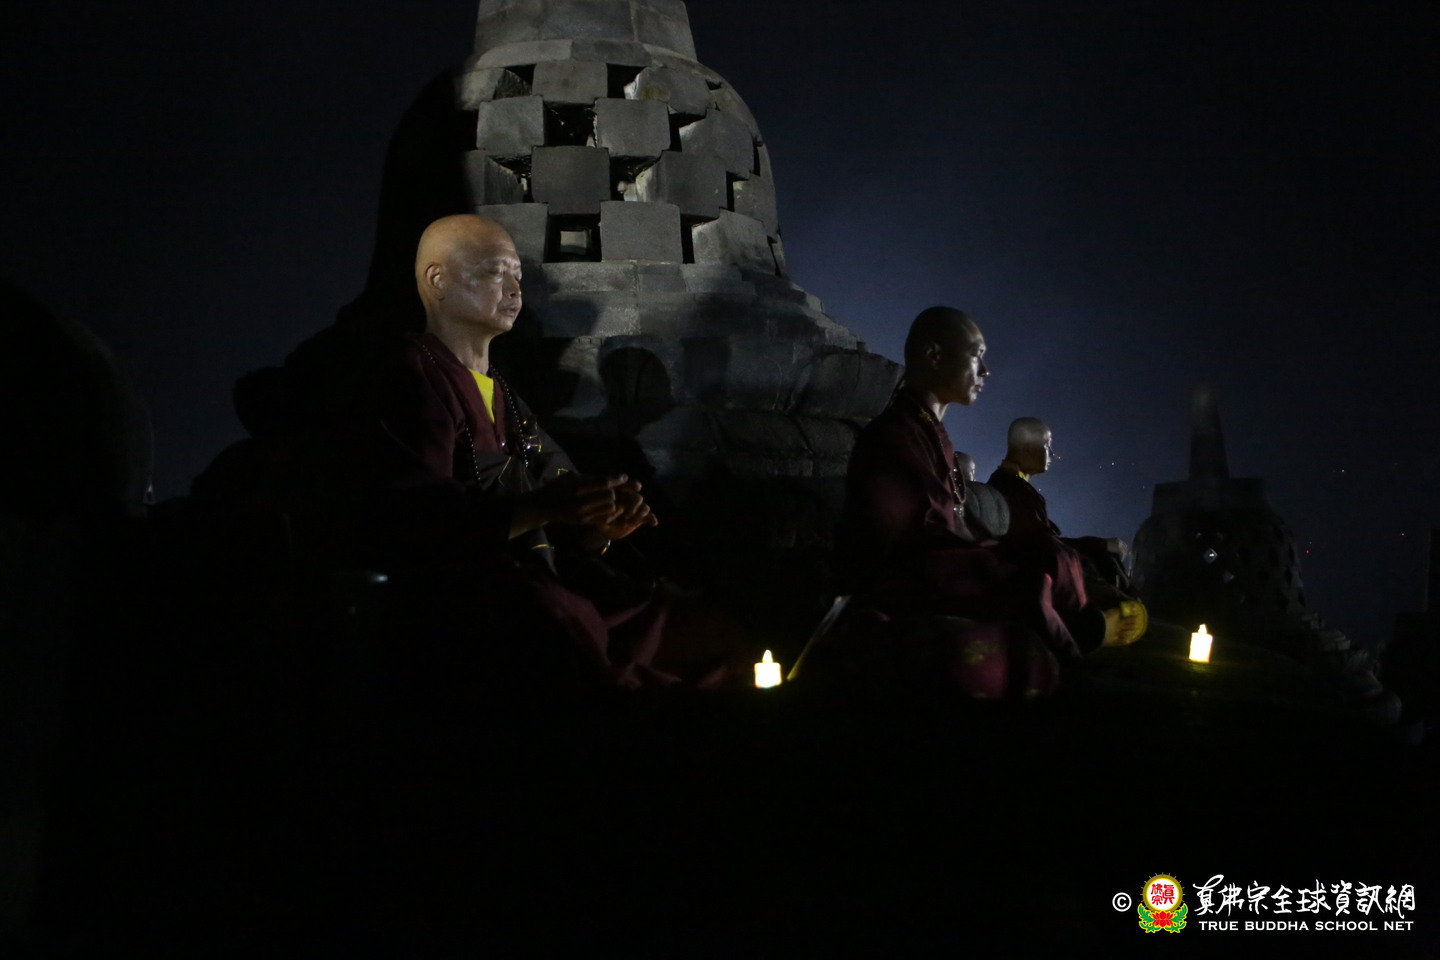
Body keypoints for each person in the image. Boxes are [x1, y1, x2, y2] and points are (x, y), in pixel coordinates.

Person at [366, 213, 691, 688]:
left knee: (684, 621)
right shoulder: (411, 373)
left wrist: (599, 524)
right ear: (437, 280)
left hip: (548, 579)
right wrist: (544, 507)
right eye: (496, 272)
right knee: (559, 627)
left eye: (518, 276)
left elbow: (560, 493)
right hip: (476, 598)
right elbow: (416, 518)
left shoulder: (504, 394)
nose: (515, 290)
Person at [829, 307, 1132, 695]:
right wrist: (995, 560)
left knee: (1050, 556)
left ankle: (1070, 640)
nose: (985, 371)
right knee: (1024, 585)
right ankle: (1069, 666)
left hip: (938, 565)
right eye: (976, 355)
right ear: (934, 355)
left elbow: (954, 522)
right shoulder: (895, 436)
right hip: (901, 584)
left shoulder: (928, 430)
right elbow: (918, 543)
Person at [988, 417, 1144, 634]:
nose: (1051, 453)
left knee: (1104, 555)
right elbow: (1040, 545)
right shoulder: (1011, 489)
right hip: (1027, 575)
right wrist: (1097, 545)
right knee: (1103, 557)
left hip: (1032, 564)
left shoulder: (1012, 485)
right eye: (1047, 445)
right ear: (1027, 448)